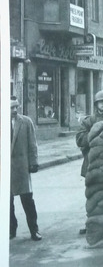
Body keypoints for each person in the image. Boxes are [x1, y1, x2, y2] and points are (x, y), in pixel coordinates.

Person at [76, 90, 103, 234]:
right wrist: (95, 134)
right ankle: (91, 223)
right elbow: (80, 140)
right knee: (93, 195)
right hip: (93, 164)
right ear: (96, 104)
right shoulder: (89, 121)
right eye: (101, 102)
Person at [10, 96, 42, 241]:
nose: (15, 110)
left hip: (22, 168)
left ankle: (34, 230)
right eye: (11, 107)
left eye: (16, 107)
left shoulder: (26, 122)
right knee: (6, 202)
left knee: (27, 200)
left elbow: (32, 144)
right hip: (5, 170)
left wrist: (33, 163)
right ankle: (11, 230)